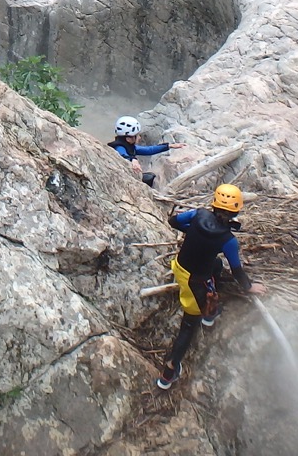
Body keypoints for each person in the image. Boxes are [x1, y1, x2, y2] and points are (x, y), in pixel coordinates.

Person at [156, 183, 260, 390]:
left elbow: (173, 221)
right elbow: (237, 270)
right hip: (194, 282)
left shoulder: (199, 214)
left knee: (216, 265)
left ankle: (208, 312)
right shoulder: (228, 240)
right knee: (188, 325)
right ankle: (169, 372)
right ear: (236, 210)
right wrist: (249, 287)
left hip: (179, 266)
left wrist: (195, 234)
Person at [108, 115, 185, 186]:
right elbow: (122, 156)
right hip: (120, 180)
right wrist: (132, 159)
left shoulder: (129, 146)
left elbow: (149, 150)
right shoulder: (119, 148)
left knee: (150, 176)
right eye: (137, 135)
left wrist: (169, 146)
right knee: (150, 178)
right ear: (128, 139)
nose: (140, 138)